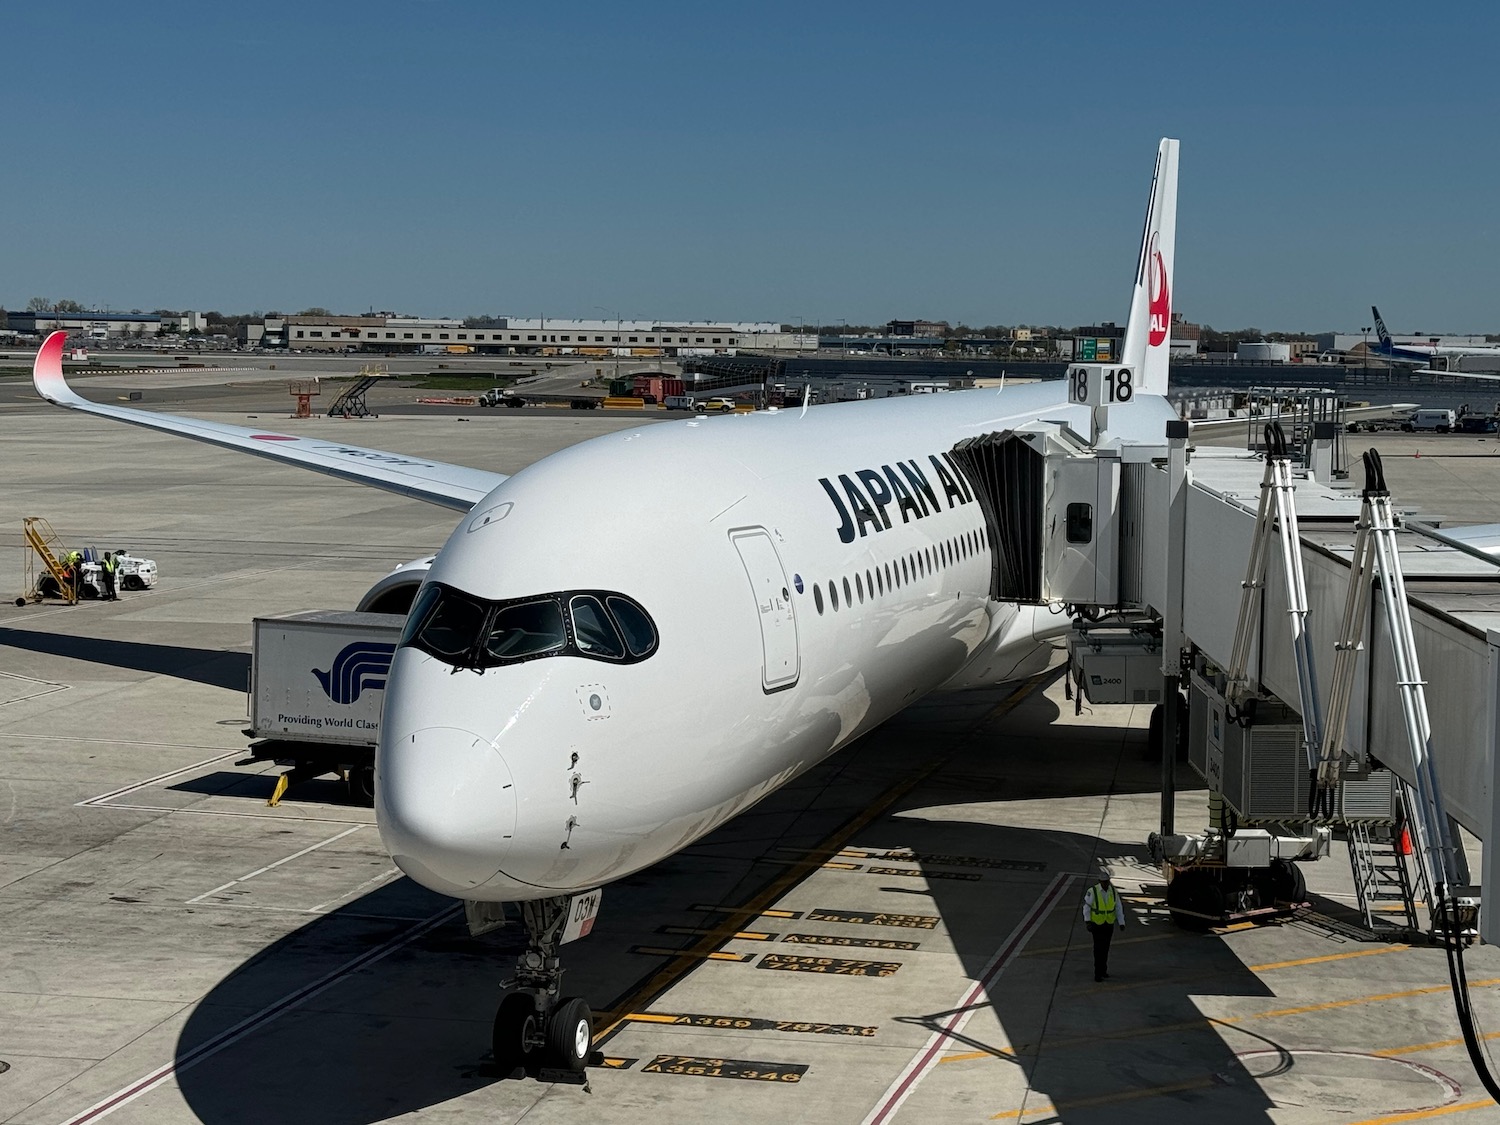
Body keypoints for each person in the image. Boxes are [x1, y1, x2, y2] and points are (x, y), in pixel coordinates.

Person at [1083, 873, 1126, 982]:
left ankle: (1103, 970)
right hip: (1097, 924)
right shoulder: (1092, 891)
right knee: (1098, 949)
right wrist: (1087, 921)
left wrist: (1121, 922)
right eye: (1103, 882)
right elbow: (1087, 907)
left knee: (1105, 948)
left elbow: (1118, 907)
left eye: (1106, 881)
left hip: (1108, 923)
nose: (1105, 884)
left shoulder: (1113, 892)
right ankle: (1097, 973)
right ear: (1099, 881)